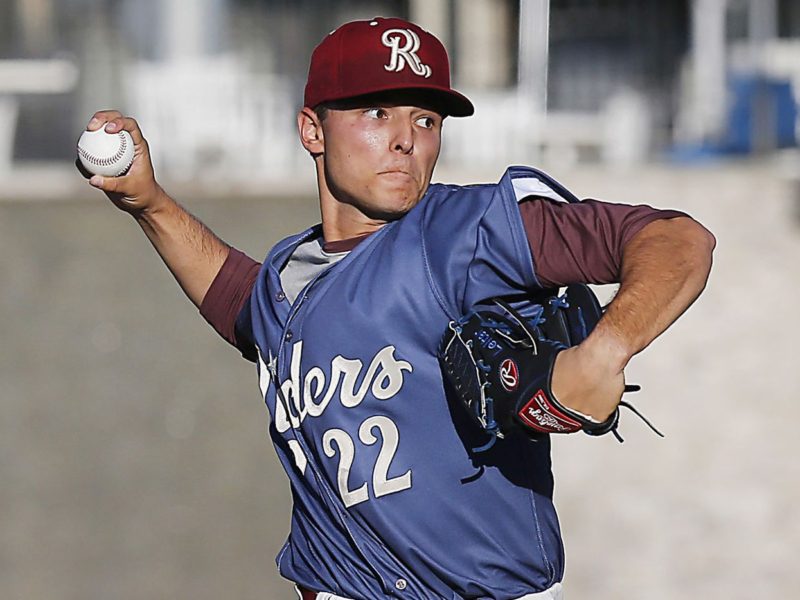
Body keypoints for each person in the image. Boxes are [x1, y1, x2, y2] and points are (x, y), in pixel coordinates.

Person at [81, 16, 715, 600]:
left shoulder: (468, 233)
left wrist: (607, 347)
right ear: (312, 130)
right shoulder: (286, 274)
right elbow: (246, 310)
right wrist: (151, 203)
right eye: (377, 111)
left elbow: (677, 239)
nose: (406, 140)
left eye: (425, 119)